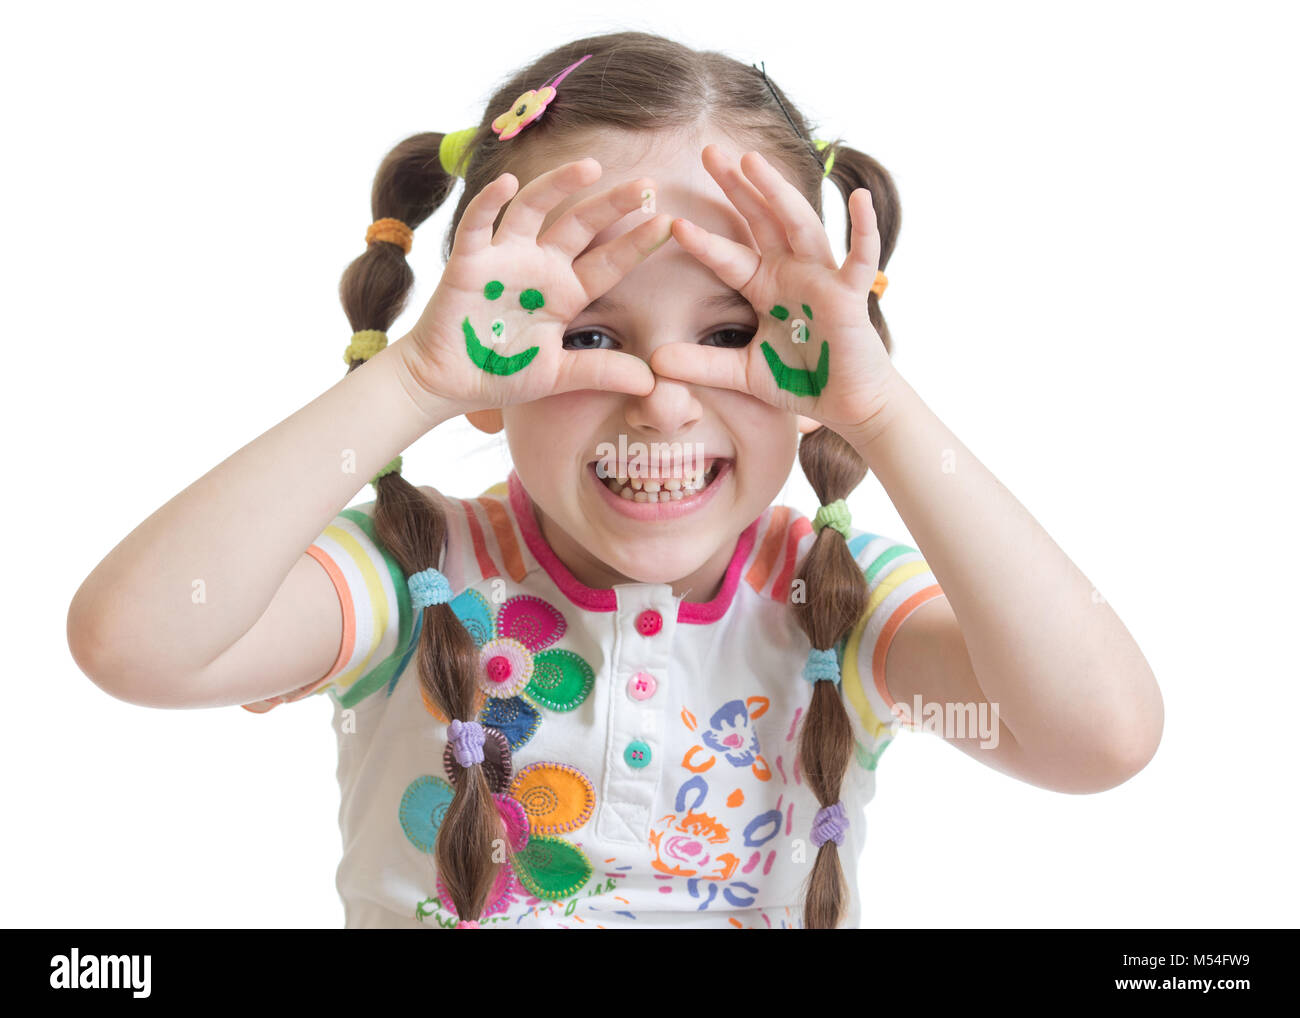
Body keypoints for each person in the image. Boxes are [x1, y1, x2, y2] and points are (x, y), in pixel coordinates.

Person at [66, 30, 1164, 929]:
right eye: (589, 336)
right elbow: (139, 642)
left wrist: (879, 410)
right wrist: (411, 382)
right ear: (487, 376)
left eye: (731, 330)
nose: (666, 394)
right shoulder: (411, 580)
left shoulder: (833, 602)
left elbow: (1100, 737)